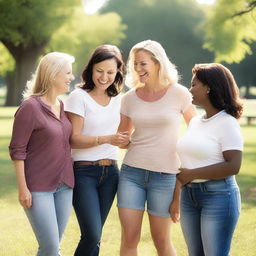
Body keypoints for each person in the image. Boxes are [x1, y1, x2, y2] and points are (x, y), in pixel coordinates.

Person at [117, 40, 197, 256]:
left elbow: (196, 131)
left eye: (143, 64)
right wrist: (114, 139)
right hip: (132, 173)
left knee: (161, 241)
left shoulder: (179, 94)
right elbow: (123, 138)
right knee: (129, 239)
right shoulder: (129, 98)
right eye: (135, 64)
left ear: (157, 63)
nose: (138, 69)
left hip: (166, 176)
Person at [64, 44, 129, 256]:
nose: (104, 77)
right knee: (91, 234)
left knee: (96, 236)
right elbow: (74, 139)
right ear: (91, 69)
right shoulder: (78, 96)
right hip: (84, 173)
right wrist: (106, 138)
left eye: (110, 72)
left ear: (117, 73)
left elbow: (126, 131)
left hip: (111, 173)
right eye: (99, 70)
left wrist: (123, 140)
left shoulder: (119, 99)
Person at [9, 52, 75, 256]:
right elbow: (17, 150)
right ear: (53, 74)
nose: (71, 77)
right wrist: (23, 189)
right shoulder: (30, 107)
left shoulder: (61, 106)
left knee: (53, 246)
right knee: (50, 247)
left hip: (65, 186)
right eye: (68, 73)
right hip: (38, 188)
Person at [176, 63, 243, 256]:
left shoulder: (227, 123)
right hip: (189, 197)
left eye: (194, 84)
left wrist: (190, 175)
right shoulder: (196, 121)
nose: (190, 90)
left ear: (208, 87)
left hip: (218, 197)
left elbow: (234, 165)